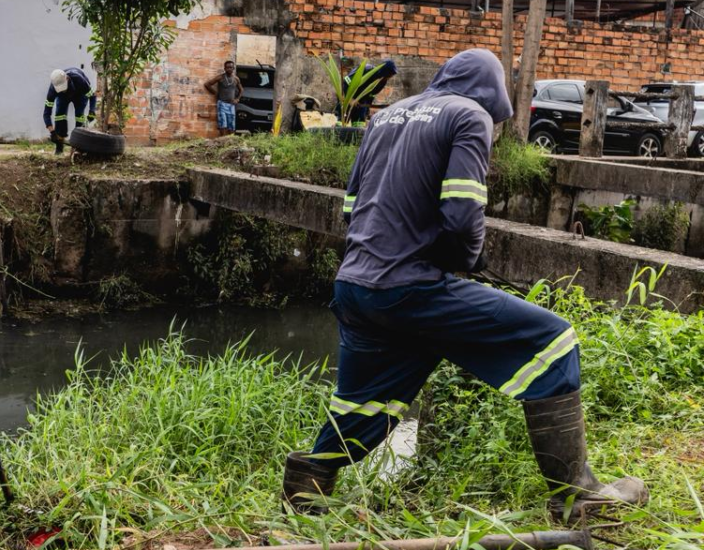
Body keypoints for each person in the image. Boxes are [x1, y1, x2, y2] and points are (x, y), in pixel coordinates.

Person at [282, 49, 647, 520]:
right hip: (409, 286)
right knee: (554, 341)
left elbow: (351, 209)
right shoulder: (468, 116)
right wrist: (463, 262)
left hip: (355, 285)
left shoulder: (387, 117)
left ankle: (305, 491)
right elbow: (461, 212)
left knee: (363, 401)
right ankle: (576, 492)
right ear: (493, 91)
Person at [43, 67, 96, 154]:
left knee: (79, 115)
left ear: (67, 78)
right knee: (59, 116)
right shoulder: (53, 89)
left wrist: (92, 111)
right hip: (63, 98)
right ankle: (59, 148)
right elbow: (46, 113)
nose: (63, 90)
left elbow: (92, 96)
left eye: (63, 88)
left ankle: (79, 147)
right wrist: (52, 132)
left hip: (79, 94)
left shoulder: (80, 80)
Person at [343, 59, 397, 124]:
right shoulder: (366, 69)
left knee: (359, 123)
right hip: (347, 97)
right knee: (342, 122)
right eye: (389, 75)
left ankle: (358, 133)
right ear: (384, 72)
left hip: (360, 102)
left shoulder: (382, 81)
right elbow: (346, 82)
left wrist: (367, 111)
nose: (389, 78)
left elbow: (371, 96)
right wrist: (350, 99)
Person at [205, 60, 243, 136]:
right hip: (222, 103)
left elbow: (241, 89)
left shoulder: (236, 79)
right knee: (222, 123)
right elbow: (207, 84)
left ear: (233, 68)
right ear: (224, 68)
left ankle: (230, 141)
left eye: (231, 67)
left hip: (231, 105)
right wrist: (215, 93)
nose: (229, 69)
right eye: (228, 67)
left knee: (231, 124)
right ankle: (223, 140)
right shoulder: (220, 77)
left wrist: (237, 99)